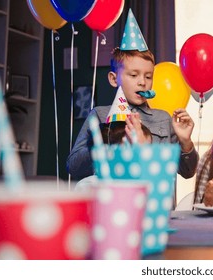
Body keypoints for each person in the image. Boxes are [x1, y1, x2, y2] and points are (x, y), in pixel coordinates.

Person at [67, 9, 198, 181]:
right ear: (114, 79)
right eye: (134, 75)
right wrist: (104, 142)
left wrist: (186, 143)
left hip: (157, 202)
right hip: (115, 201)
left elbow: (188, 172)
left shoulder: (164, 119)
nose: (142, 82)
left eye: (148, 76)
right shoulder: (99, 115)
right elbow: (73, 167)